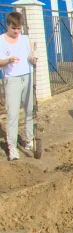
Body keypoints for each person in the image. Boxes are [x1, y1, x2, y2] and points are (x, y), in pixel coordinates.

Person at [0, 12, 37, 161]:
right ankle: (12, 148)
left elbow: (30, 58)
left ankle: (29, 140)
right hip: (12, 80)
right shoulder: (1, 41)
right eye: (14, 28)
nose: (16, 32)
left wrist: (33, 59)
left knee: (29, 111)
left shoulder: (25, 39)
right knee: (13, 115)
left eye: (19, 28)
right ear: (8, 25)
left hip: (27, 77)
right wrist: (8, 60)